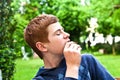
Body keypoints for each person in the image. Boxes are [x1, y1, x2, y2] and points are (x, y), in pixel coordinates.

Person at [24, 14, 115, 80]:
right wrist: (72, 68)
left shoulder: (87, 61)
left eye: (63, 30)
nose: (67, 35)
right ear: (42, 46)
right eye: (58, 33)